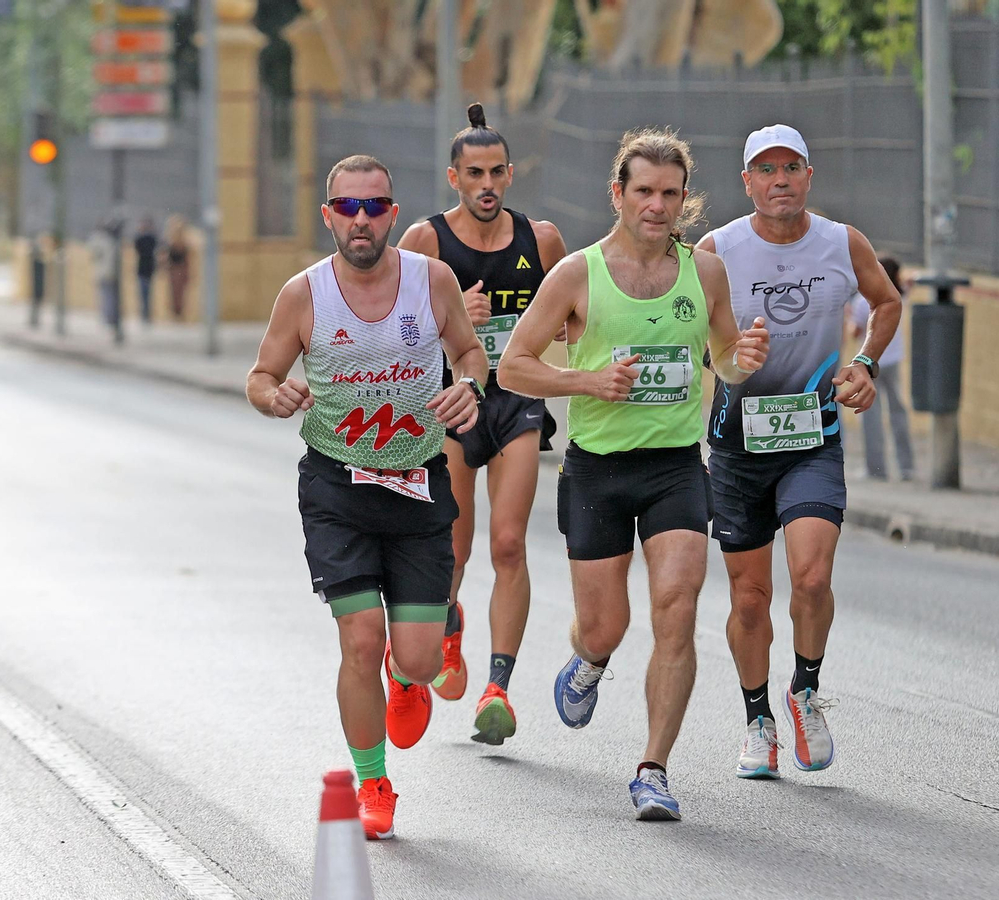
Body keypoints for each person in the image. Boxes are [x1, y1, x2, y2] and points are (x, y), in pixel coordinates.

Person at [497, 129, 770, 821]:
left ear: (685, 200)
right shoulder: (576, 275)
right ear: (617, 194)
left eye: (670, 193)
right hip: (596, 472)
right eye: (643, 191)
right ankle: (588, 661)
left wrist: (745, 358)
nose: (656, 205)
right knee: (606, 623)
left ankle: (653, 769)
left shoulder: (704, 274)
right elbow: (513, 366)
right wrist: (588, 379)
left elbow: (725, 361)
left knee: (677, 608)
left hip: (676, 465)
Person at [246, 154, 485, 840]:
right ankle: (373, 782)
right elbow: (261, 374)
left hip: (417, 487)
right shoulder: (303, 294)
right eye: (347, 207)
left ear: (393, 214)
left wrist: (470, 387)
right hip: (336, 488)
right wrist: (275, 396)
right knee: (359, 640)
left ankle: (411, 671)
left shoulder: (431, 281)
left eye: (374, 207)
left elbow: (470, 354)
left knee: (415, 658)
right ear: (328, 216)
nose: (361, 220)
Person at [695, 124, 901, 778]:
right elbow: (691, 337)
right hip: (736, 443)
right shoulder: (715, 250)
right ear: (747, 181)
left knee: (812, 579)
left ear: (809, 176)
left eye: (791, 168)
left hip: (813, 438)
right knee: (750, 598)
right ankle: (758, 719)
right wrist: (727, 356)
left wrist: (864, 362)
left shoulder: (842, 243)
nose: (779, 180)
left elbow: (887, 302)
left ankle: (804, 691)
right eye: (766, 169)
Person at [396, 102, 567, 746]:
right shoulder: (425, 242)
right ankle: (448, 622)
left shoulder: (541, 240)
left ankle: (498, 688)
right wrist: (451, 327)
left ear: (511, 174)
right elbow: (395, 337)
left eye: (497, 172)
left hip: (516, 402)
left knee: (508, 544)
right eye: (475, 174)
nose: (487, 185)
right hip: (451, 405)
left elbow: (576, 313)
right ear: (454, 178)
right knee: (455, 547)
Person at [847, 257, 913, 481]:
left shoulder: (860, 302)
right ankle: (907, 468)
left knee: (870, 417)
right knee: (898, 414)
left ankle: (876, 469)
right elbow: (909, 284)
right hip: (893, 361)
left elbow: (855, 333)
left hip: (869, 362)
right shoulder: (899, 295)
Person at [88, 218, 124, 343]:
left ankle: (108, 319)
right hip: (108, 273)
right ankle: (109, 320)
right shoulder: (109, 241)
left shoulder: (101, 240)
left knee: (107, 298)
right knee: (109, 298)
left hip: (105, 274)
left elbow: (93, 251)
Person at [163, 215, 190, 320]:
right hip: (174, 269)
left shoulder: (183, 242)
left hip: (180, 269)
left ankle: (179, 313)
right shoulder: (171, 241)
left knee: (180, 293)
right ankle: (175, 313)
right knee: (174, 293)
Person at [133, 218, 157, 323]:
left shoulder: (146, 239)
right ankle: (145, 315)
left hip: (145, 269)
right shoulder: (150, 238)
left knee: (145, 295)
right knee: (145, 295)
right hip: (146, 269)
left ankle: (145, 315)